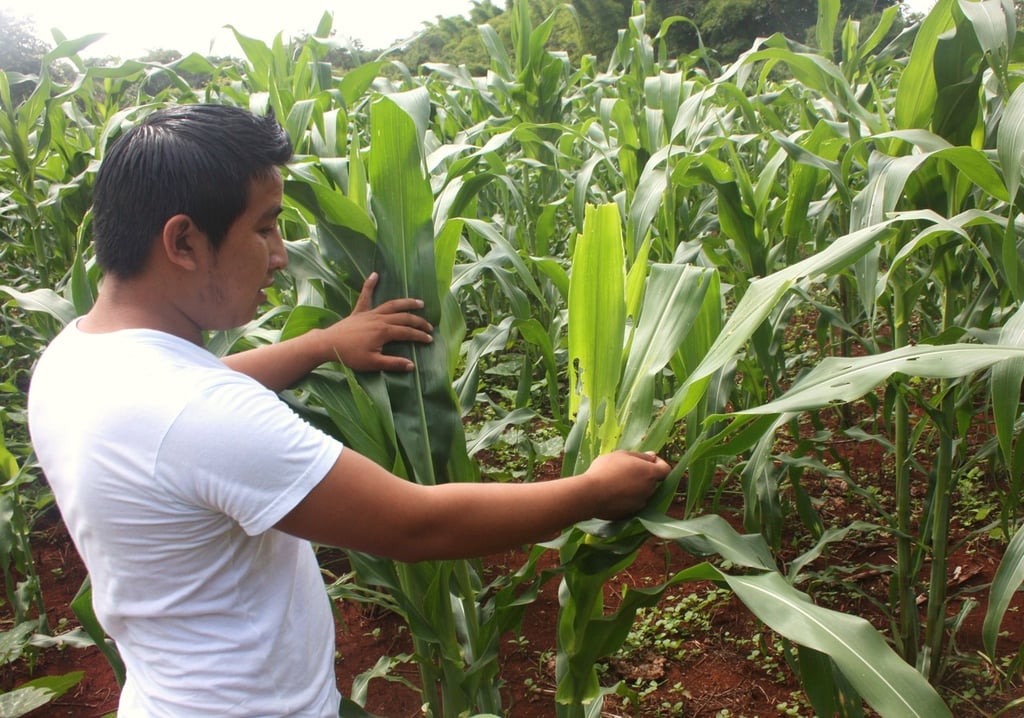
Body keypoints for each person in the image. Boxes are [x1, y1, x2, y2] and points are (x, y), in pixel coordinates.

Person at [27, 103, 670, 717]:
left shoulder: (75, 359)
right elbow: (415, 527)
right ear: (184, 242)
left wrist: (322, 343)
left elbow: (189, 395)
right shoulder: (199, 417)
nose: (280, 255)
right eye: (264, 226)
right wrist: (592, 490)